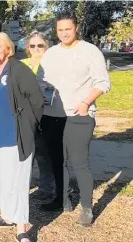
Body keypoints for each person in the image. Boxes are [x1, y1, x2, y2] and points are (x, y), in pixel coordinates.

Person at [37, 12, 111, 227]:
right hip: (53, 115)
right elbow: (40, 81)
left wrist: (86, 103)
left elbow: (103, 82)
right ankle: (62, 199)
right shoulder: (51, 53)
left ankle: (87, 207)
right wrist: (43, 94)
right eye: (60, 30)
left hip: (79, 115)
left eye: (67, 29)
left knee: (79, 162)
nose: (64, 33)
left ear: (76, 28)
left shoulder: (90, 51)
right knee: (57, 160)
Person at [0, 32, 43, 242]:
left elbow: (36, 100)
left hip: (13, 138)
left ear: (8, 48)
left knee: (16, 183)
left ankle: (22, 230)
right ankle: (7, 216)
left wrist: (27, 124)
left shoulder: (18, 70)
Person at [21, 31, 55, 200]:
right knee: (25, 156)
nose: (36, 48)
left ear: (46, 46)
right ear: (28, 47)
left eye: (40, 45)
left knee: (43, 154)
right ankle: (21, 188)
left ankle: (46, 188)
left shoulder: (54, 63)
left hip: (46, 114)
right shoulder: (21, 64)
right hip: (25, 116)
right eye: (32, 45)